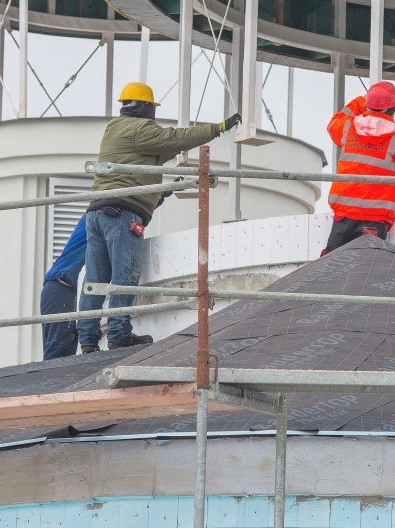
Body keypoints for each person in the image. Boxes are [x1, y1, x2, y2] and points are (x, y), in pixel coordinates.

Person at [76, 82, 242, 353]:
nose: (153, 112)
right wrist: (218, 129)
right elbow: (177, 139)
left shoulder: (115, 129)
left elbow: (154, 157)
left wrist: (162, 191)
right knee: (124, 276)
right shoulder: (140, 129)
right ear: (143, 106)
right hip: (121, 214)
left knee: (95, 280)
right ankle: (119, 334)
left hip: (97, 213)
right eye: (152, 107)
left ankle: (87, 339)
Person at [323, 81, 395, 254]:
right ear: (391, 108)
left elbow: (333, 123)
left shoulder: (348, 127)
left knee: (332, 264)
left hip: (344, 214)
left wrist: (362, 101)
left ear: (367, 105)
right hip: (375, 217)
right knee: (368, 269)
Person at [39, 218, 88, 360]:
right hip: (63, 287)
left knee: (58, 358)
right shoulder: (103, 213)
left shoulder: (99, 211)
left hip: (57, 288)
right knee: (58, 358)